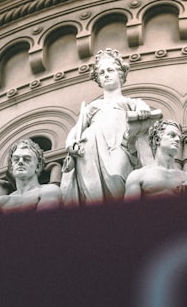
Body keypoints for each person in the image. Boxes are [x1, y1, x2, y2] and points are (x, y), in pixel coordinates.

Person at [60, 48, 160, 204]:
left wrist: (142, 112)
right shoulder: (92, 106)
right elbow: (77, 129)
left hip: (121, 144)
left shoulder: (131, 102)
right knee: (91, 187)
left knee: (117, 176)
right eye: (101, 72)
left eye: (110, 70)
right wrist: (70, 143)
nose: (105, 74)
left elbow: (145, 112)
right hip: (90, 146)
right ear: (98, 79)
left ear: (120, 74)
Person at [0, 138, 62, 215]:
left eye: (26, 159)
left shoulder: (49, 190)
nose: (20, 162)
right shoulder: (2, 202)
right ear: (12, 167)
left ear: (38, 166)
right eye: (16, 159)